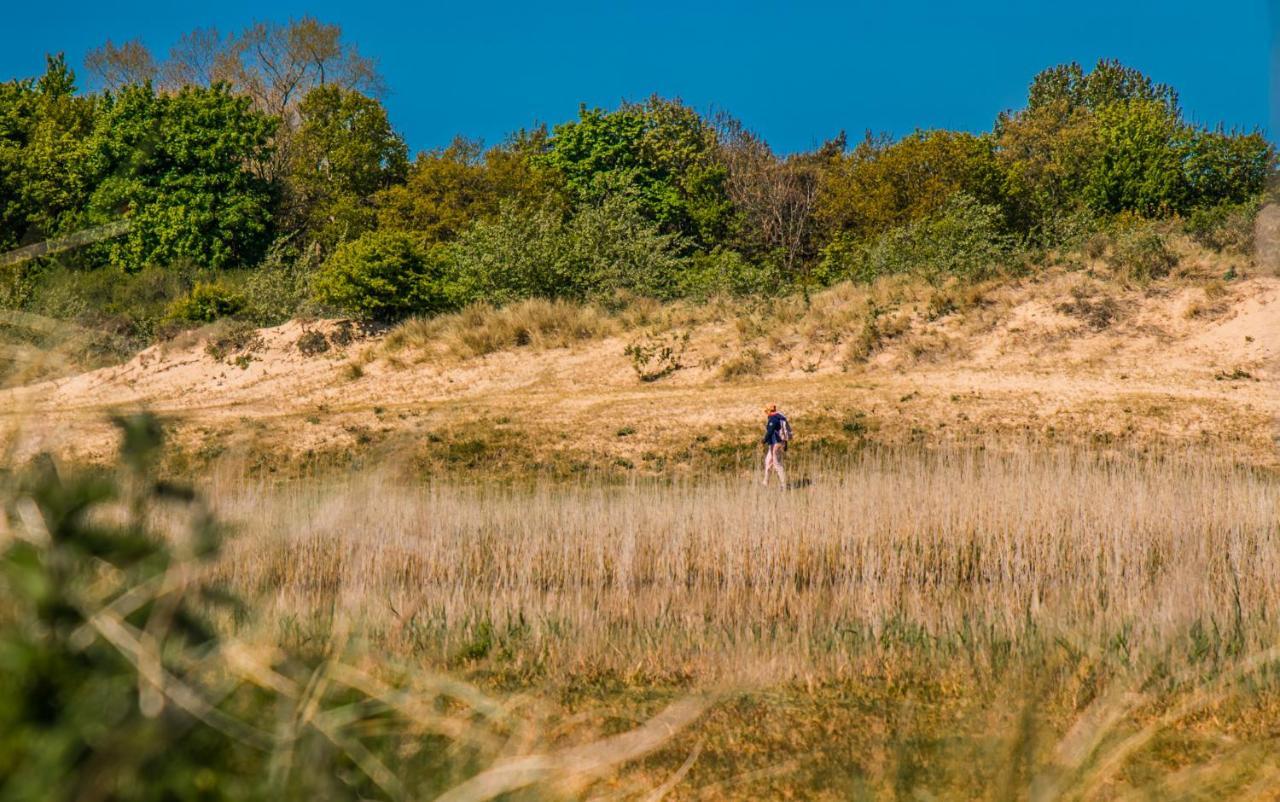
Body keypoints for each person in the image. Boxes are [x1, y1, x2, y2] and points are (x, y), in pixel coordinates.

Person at [761, 404, 791, 488]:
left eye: (766, 411)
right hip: (779, 442)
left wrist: (764, 440)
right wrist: (786, 443)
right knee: (768, 461)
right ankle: (765, 483)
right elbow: (784, 431)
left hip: (776, 443)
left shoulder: (773, 419)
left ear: (769, 411)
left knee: (777, 464)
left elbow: (770, 431)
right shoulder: (780, 417)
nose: (766, 413)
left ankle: (783, 485)